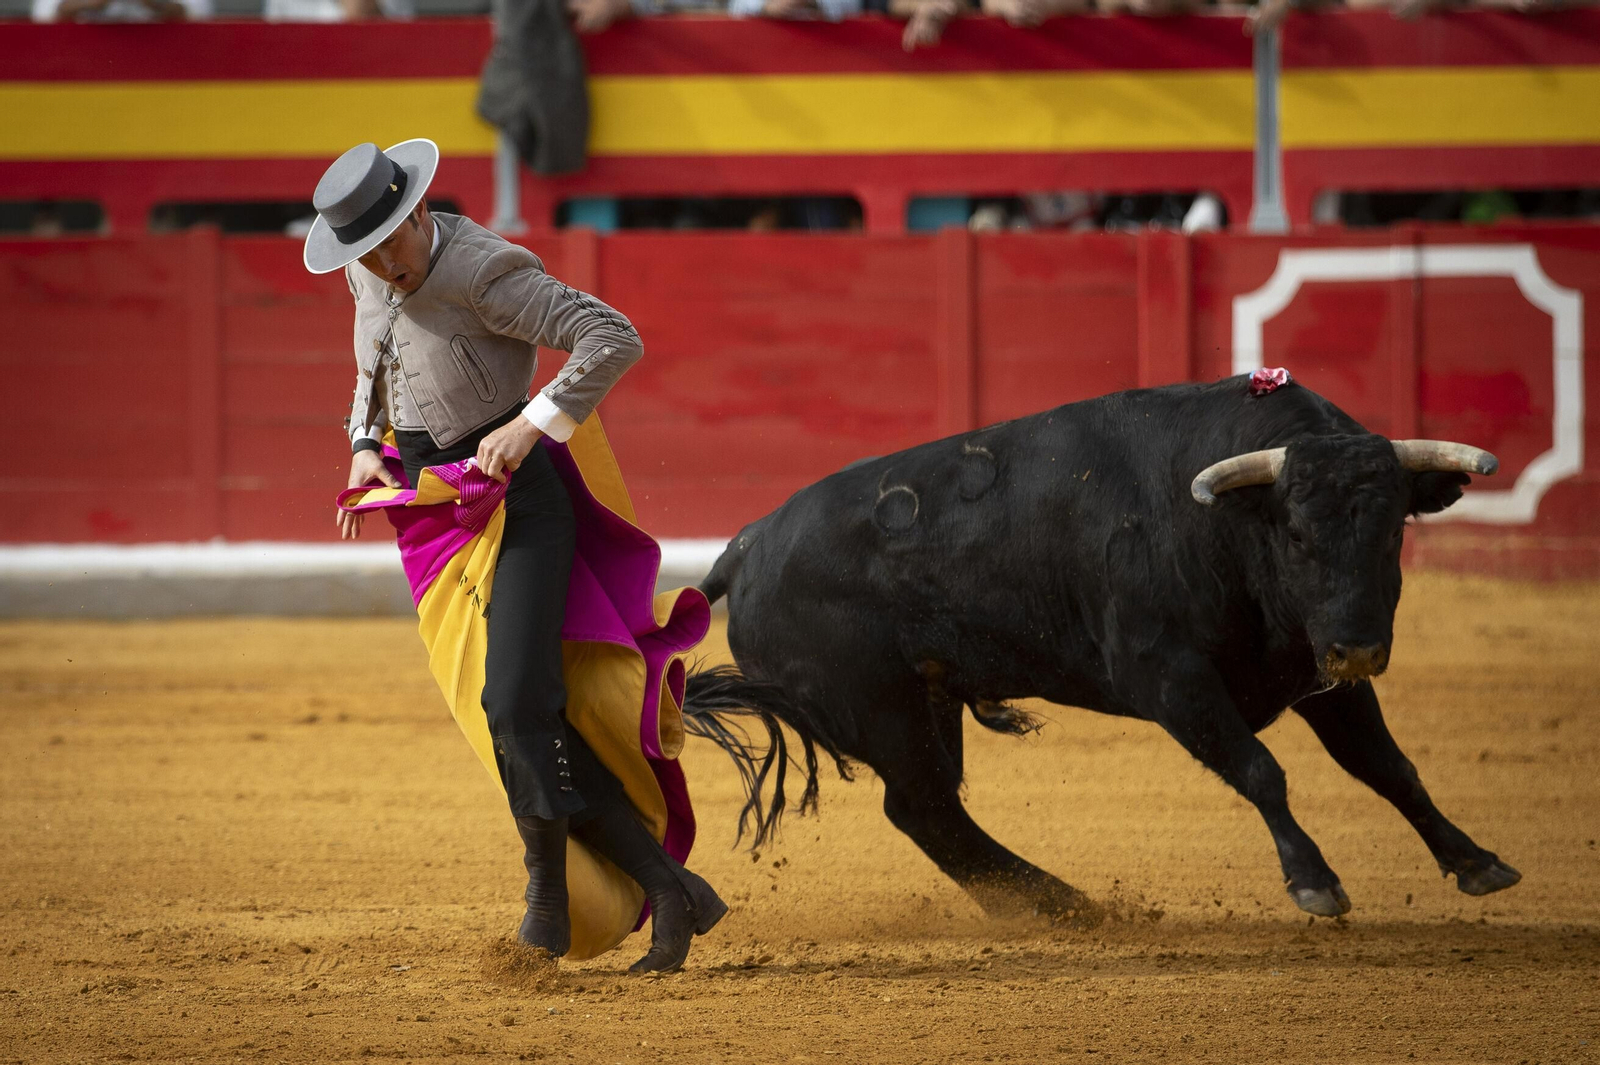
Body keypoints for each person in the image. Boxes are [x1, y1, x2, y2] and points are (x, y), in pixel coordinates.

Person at [303, 139, 725, 973]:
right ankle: (670, 887)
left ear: (420, 211)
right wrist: (364, 442)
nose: (383, 266)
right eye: (366, 253)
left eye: (390, 244)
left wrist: (532, 423)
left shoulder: (484, 271)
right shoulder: (366, 269)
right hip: (439, 516)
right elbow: (373, 357)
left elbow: (612, 335)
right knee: (519, 718)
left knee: (512, 705)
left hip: (523, 504)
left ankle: (548, 905)